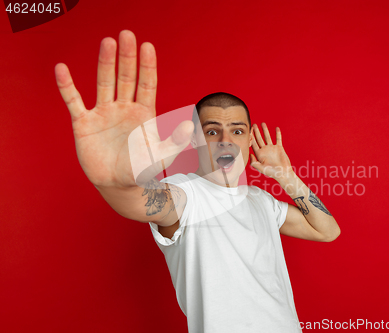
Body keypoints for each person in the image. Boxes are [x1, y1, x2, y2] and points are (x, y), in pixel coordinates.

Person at [55, 30, 341, 333]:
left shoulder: (261, 201)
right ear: (194, 138)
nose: (226, 141)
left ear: (249, 139)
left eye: (238, 131)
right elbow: (140, 201)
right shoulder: (186, 195)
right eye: (213, 130)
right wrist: (113, 183)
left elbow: (328, 231)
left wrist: (286, 176)